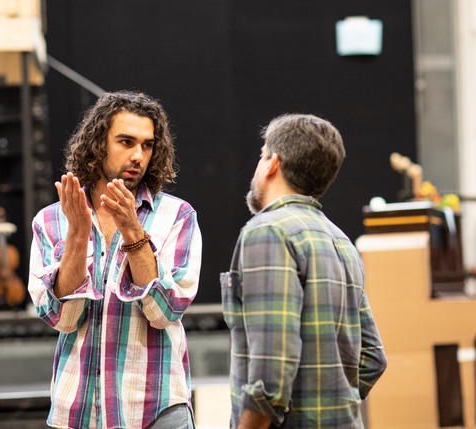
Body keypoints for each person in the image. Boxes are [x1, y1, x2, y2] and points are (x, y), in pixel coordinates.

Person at [28, 91, 202, 428]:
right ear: (98, 144)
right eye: (126, 142)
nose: (138, 155)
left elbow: (165, 312)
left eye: (147, 145)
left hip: (157, 409)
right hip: (78, 411)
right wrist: (78, 234)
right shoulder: (52, 220)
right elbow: (64, 317)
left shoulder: (177, 216)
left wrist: (132, 231)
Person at [220, 113, 387, 428]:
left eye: (261, 155)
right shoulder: (341, 241)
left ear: (272, 163)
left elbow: (270, 377)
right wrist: (330, 404)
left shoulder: (267, 230)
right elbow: (373, 360)